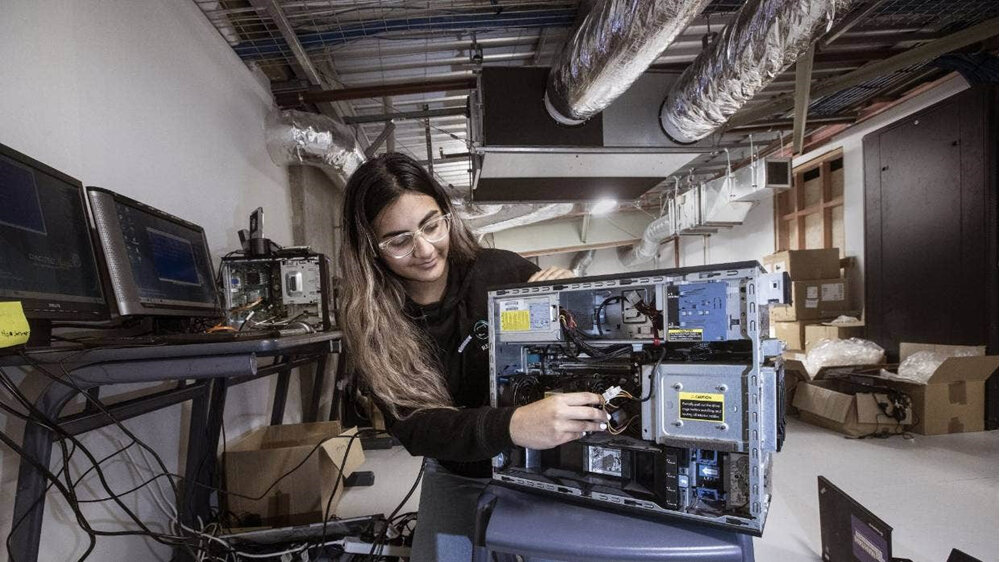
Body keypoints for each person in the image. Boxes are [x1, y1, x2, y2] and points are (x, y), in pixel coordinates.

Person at [338, 153, 609, 560]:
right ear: (370, 250)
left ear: (446, 215)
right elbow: (417, 427)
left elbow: (577, 346)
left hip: (543, 465)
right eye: (399, 240)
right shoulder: (376, 324)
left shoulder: (500, 271)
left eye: (431, 225)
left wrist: (574, 296)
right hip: (457, 471)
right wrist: (513, 425)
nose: (425, 249)